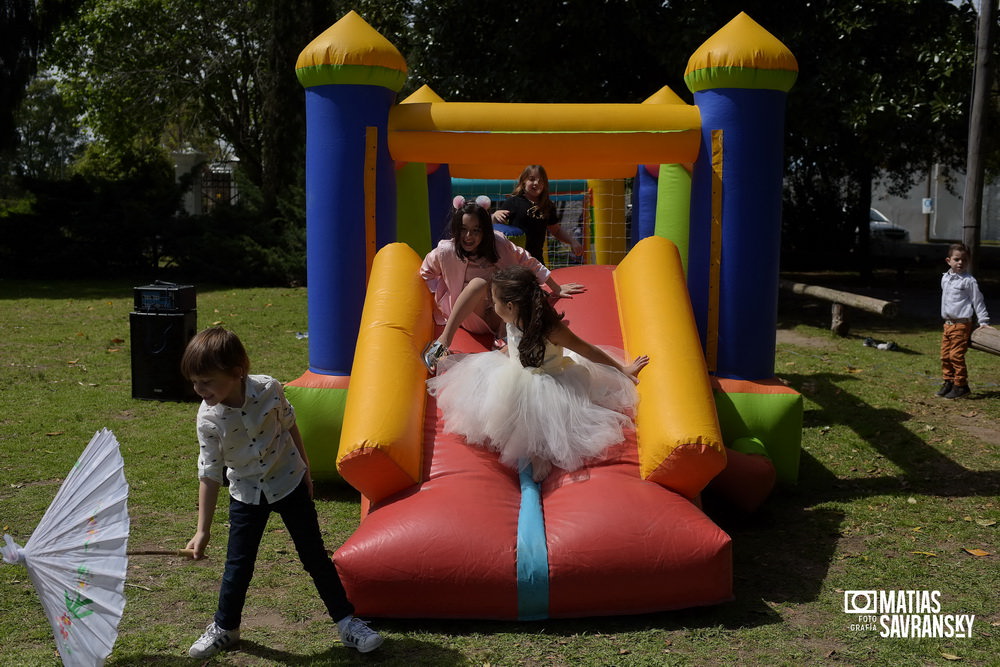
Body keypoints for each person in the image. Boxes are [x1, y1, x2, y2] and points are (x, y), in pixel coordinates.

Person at [180, 327, 383, 658]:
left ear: (236, 372)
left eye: (206, 381)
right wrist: (202, 530)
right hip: (246, 492)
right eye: (194, 382)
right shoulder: (208, 418)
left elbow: (289, 424)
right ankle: (225, 627)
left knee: (314, 557)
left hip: (288, 481)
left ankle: (348, 623)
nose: (198, 389)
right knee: (238, 566)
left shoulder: (268, 388)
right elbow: (209, 473)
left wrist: (305, 469)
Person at [426, 265, 649, 482]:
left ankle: (536, 455)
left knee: (538, 420)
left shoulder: (550, 329)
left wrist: (622, 369)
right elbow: (515, 345)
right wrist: (494, 356)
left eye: (494, 302)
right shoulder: (513, 318)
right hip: (515, 373)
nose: (491, 307)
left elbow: (586, 349)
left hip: (549, 382)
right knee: (493, 398)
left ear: (511, 306)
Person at [421, 195, 583, 372]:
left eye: (476, 230)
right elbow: (426, 273)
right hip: (472, 316)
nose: (469, 236)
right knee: (478, 283)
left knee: (513, 286)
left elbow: (526, 260)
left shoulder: (499, 244)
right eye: (464, 229)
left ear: (485, 231)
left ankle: (504, 341)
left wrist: (556, 288)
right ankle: (442, 343)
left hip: (502, 316)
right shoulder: (446, 251)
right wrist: (442, 298)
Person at [492, 164, 584, 262]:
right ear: (524, 181)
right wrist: (494, 216)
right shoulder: (513, 202)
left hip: (536, 258)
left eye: (540, 181)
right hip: (515, 258)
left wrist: (572, 241)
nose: (536, 183)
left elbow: (556, 230)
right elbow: (497, 228)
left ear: (544, 185)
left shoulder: (547, 206)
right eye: (531, 179)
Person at [937, 243, 992, 399]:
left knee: (956, 355)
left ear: (968, 262)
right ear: (949, 261)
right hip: (947, 324)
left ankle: (961, 385)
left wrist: (984, 321)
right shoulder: (945, 278)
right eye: (957, 259)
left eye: (964, 260)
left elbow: (978, 301)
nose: (960, 263)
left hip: (961, 324)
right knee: (945, 355)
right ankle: (948, 381)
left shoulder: (969, 281)